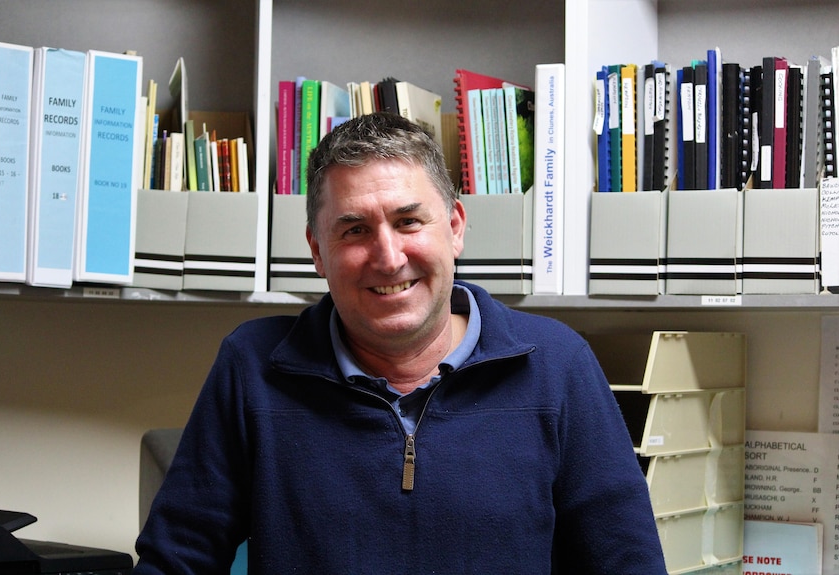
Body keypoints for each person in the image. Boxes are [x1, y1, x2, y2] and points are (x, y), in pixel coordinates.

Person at [133, 112, 668, 574]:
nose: (388, 258)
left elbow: (627, 564)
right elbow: (176, 561)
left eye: (408, 221)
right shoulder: (252, 366)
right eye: (354, 230)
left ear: (455, 228)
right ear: (317, 251)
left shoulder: (558, 365)